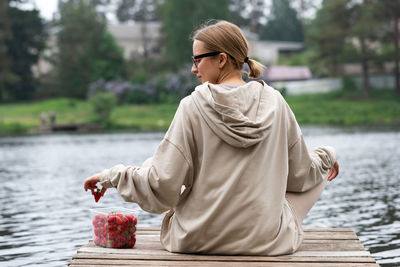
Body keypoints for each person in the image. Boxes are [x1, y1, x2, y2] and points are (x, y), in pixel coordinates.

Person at [84, 20, 339, 256]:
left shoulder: (192, 105)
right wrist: (328, 155)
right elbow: (301, 175)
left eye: (197, 60)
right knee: (319, 169)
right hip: (265, 242)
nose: (193, 68)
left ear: (221, 59)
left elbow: (163, 188)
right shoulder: (276, 103)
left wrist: (111, 177)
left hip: (197, 240)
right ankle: (263, 222)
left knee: (154, 163)